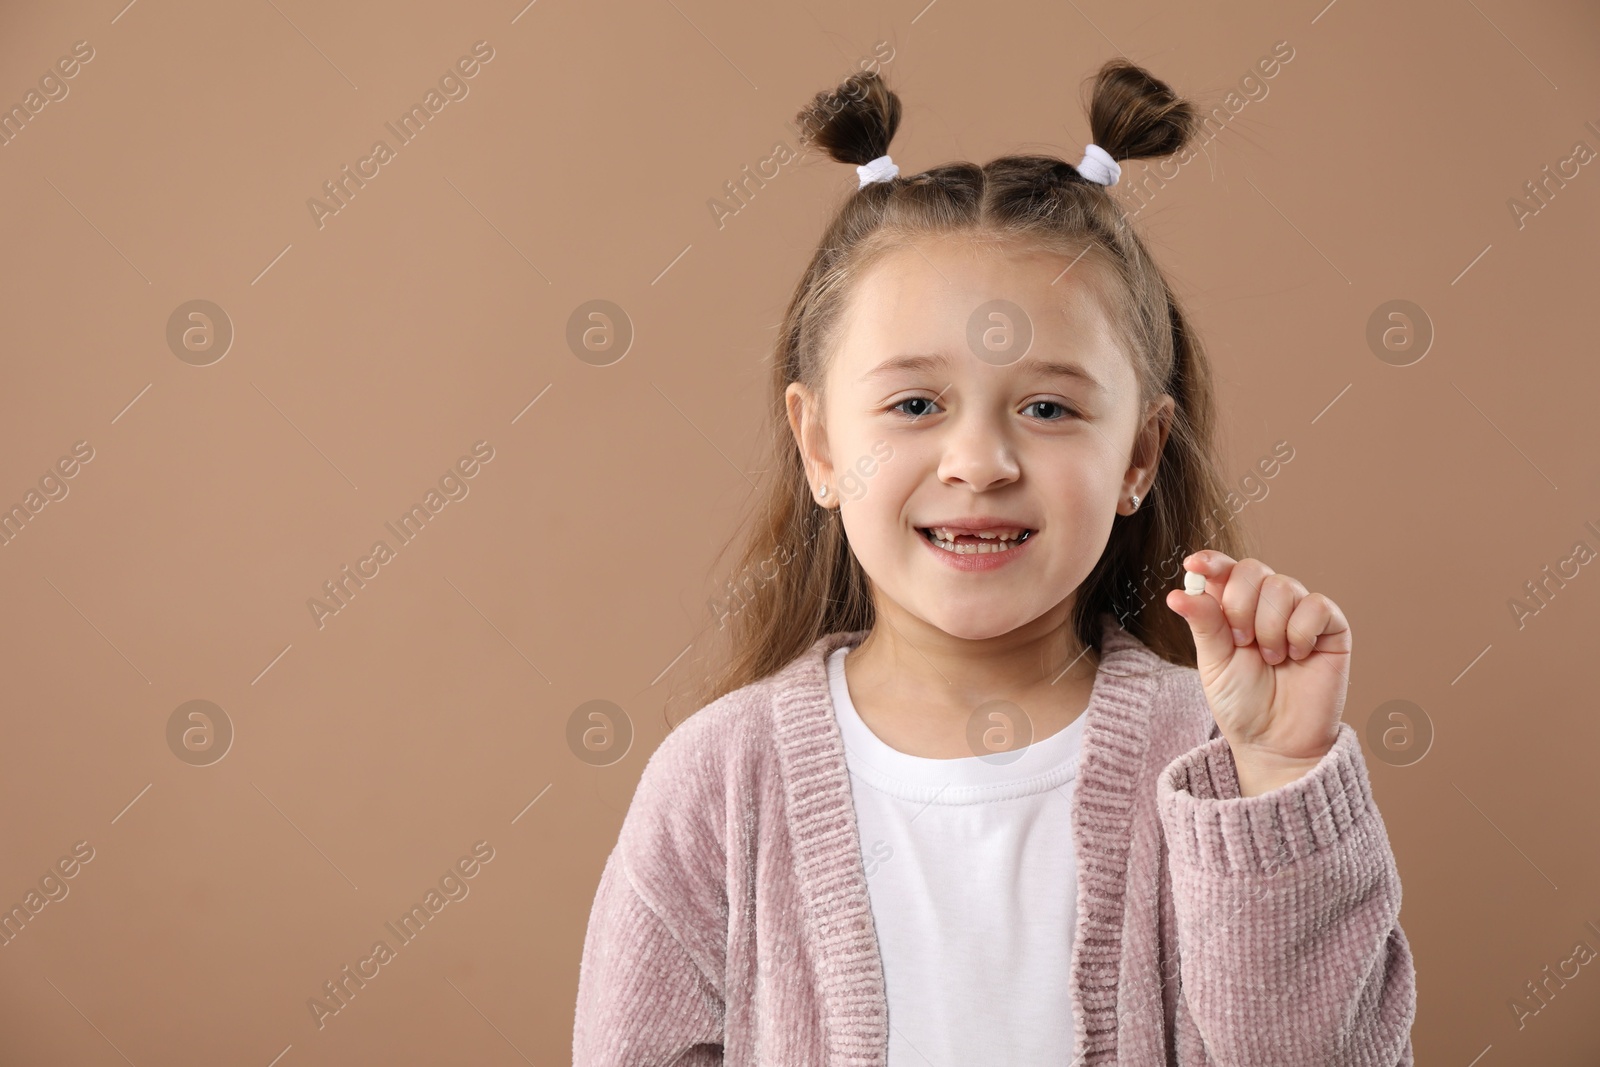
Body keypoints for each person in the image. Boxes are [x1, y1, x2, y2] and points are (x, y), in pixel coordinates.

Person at [572, 57, 1416, 1066]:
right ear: (822, 447)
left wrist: (1277, 778)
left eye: (1048, 407)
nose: (979, 462)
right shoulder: (716, 784)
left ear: (1138, 456)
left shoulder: (1218, 764)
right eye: (916, 404)